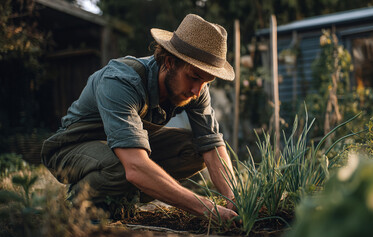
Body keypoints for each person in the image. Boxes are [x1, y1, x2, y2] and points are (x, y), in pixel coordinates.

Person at [41, 14, 238, 221]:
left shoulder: (196, 87)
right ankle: (77, 203)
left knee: (195, 150)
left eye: (207, 81)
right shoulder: (121, 81)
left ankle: (122, 199)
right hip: (70, 148)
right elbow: (134, 167)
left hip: (119, 148)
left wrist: (235, 200)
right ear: (170, 62)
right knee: (120, 166)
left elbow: (212, 146)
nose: (197, 91)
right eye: (194, 77)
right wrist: (206, 207)